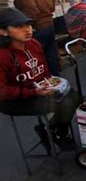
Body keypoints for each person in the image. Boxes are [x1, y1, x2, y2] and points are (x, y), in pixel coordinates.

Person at [0, 9, 81, 151]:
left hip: (38, 89)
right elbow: (2, 91)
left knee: (76, 97)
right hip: (12, 101)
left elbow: (43, 68)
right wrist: (33, 92)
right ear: (3, 31)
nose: (27, 30)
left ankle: (51, 131)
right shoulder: (3, 56)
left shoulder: (34, 44)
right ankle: (52, 132)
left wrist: (50, 82)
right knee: (62, 104)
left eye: (29, 25)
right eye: (19, 27)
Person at [13, 0, 59, 76]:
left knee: (37, 54)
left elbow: (30, 8)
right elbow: (52, 7)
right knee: (50, 53)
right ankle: (55, 77)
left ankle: (44, 79)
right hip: (49, 24)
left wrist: (29, 26)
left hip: (38, 26)